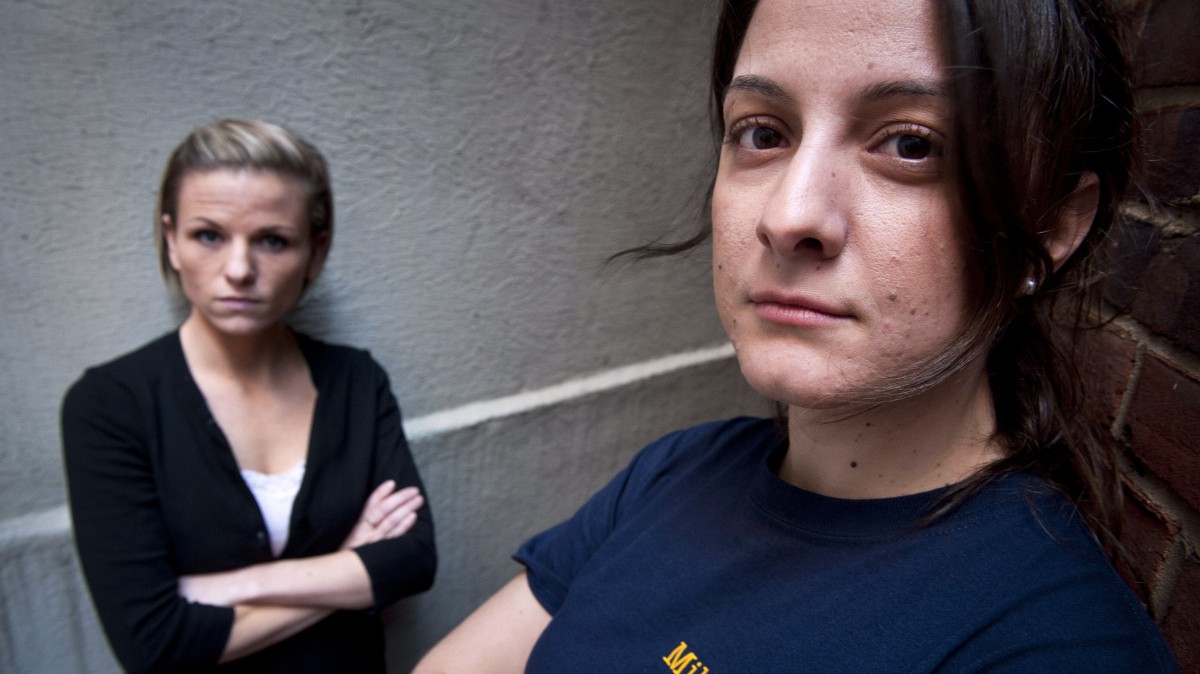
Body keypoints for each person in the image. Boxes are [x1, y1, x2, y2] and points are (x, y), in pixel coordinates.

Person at [414, 0, 1180, 671]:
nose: (788, 216)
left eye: (912, 144)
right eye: (762, 132)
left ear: (1051, 225)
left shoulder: (1051, 644)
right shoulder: (677, 471)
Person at [62, 119, 436, 673]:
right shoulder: (110, 405)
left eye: (272, 240)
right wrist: (347, 567)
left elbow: (412, 560)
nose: (239, 270)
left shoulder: (356, 381)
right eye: (209, 235)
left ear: (315, 251)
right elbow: (155, 644)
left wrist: (238, 586)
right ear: (171, 241)